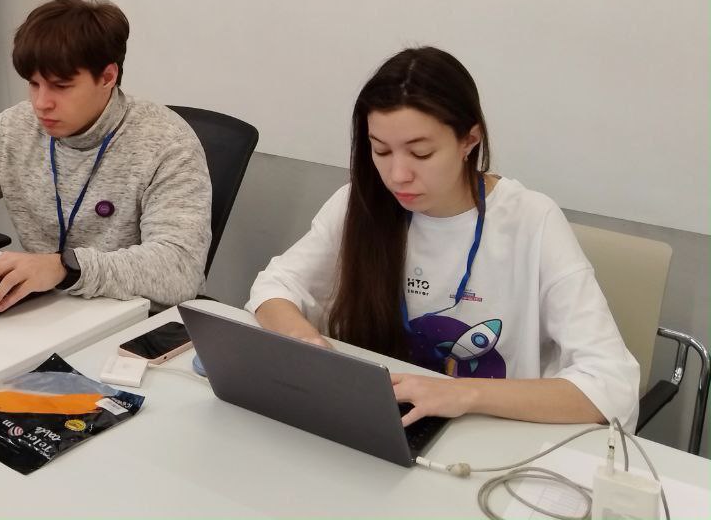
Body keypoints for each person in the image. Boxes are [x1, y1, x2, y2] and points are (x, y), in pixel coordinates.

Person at [247, 47, 639, 429]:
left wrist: (462, 393)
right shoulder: (362, 204)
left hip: (489, 436)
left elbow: (612, 383)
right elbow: (274, 287)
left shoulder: (532, 220)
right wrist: (308, 344)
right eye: (380, 151)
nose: (397, 175)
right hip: (376, 424)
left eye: (420, 154)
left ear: (469, 140)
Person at [0, 0, 212, 312]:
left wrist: (66, 268)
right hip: (46, 310)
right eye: (34, 84)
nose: (41, 103)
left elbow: (179, 268)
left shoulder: (167, 143)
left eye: (61, 86)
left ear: (107, 77)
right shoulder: (13, 129)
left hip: (137, 320)